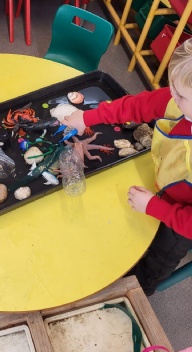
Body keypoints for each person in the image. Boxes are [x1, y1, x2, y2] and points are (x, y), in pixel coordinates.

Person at [61, 39, 192, 296]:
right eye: (172, 87)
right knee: (133, 232)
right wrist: (87, 117)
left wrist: (155, 207)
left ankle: (133, 292)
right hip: (164, 184)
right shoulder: (176, 98)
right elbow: (136, 106)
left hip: (180, 224)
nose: (171, 95)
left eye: (180, 94)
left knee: (156, 260)